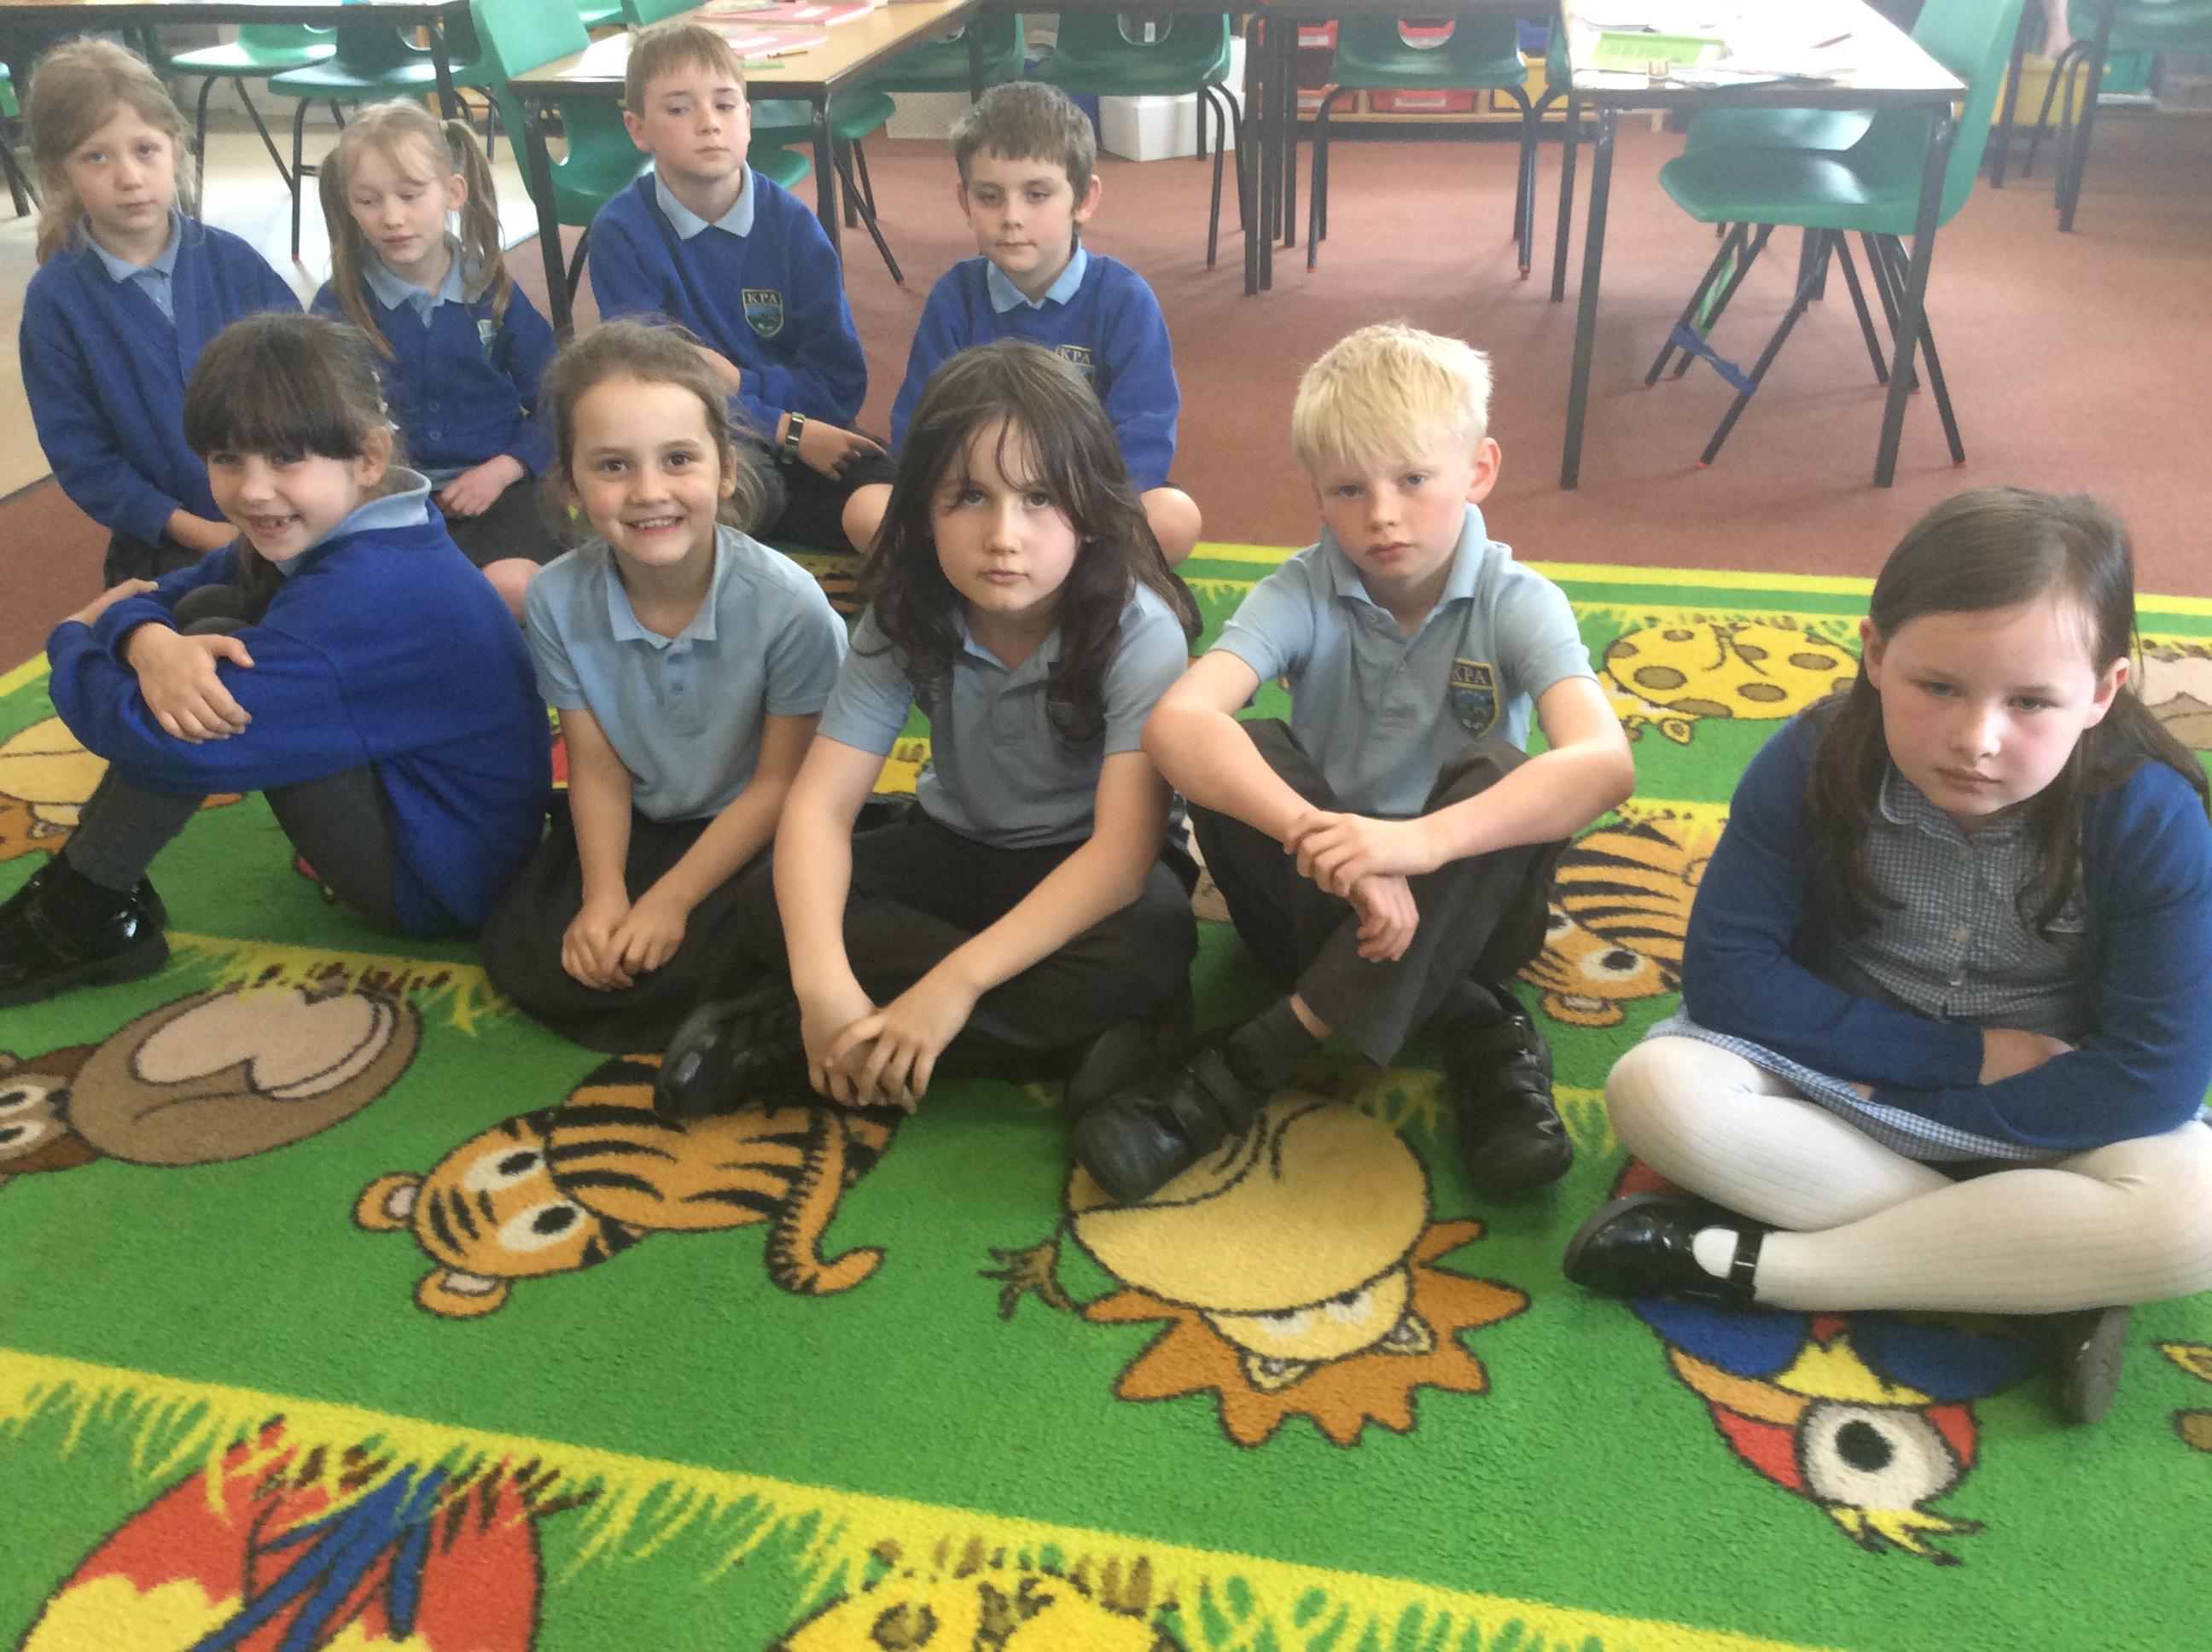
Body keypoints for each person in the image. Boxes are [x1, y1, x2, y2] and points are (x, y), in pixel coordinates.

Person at [1569, 488, 2212, 1426]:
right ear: (1874, 654)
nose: (1976, 739)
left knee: (2196, 1214)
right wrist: (1956, 1059)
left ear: (2105, 692)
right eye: (1938, 687)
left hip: (2046, 1109)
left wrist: (1946, 1111)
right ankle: (2039, 1280)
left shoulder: (2149, 818)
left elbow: (2154, 1075)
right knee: (1656, 1089)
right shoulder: (1813, 759)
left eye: (2032, 702)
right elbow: (1729, 971)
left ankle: (1769, 1270)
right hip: (1842, 1080)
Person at [1073, 323, 1634, 1204]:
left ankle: (1252, 1059)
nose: (1382, 515)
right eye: (1349, 488)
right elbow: (1177, 724)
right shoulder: (1300, 587)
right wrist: (1330, 839)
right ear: (1318, 496)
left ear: (1479, 469)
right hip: (1318, 892)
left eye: (1413, 479)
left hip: (1473, 904)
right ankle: (1474, 1021)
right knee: (1250, 746)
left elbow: (1604, 764)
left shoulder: (1518, 600)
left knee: (1502, 771)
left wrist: (1418, 846)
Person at [651, 340, 1200, 1124]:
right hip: (954, 845)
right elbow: (818, 810)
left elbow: (1119, 859)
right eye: (969, 496)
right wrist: (823, 987)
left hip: (1086, 862)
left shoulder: (1138, 629)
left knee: (1156, 938)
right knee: (771, 901)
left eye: (1040, 498)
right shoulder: (906, 611)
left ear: (1093, 510)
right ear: (922, 510)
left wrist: (953, 984)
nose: (1003, 534)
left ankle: (783, 1045)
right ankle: (1074, 1035)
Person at [1, 312, 550, 1007]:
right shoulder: (369, 513)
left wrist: (73, 642)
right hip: (439, 819)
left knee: (202, 692)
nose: (254, 490)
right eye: (227, 459)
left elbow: (153, 736)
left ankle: (83, 909)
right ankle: (88, 890)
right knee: (209, 619)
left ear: (369, 457)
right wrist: (143, 638)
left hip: (438, 882)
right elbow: (173, 592)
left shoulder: (367, 594)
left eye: (287, 458)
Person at [479, 322, 847, 1051]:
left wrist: (671, 902)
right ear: (571, 485)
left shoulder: (790, 605)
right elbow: (596, 764)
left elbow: (782, 785)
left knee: (776, 929)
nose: (649, 493)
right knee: (530, 948)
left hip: (760, 829)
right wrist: (605, 895)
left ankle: (750, 1016)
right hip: (644, 823)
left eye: (678, 459)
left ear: (726, 470)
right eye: (613, 466)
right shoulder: (555, 598)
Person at [841, 82, 1202, 567]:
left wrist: (1071, 510)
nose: (1011, 217)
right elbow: (919, 424)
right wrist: (961, 499)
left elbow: (1145, 434)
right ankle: (1042, 577)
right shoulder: (956, 296)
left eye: (1037, 195)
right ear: (964, 201)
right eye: (990, 197)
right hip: (979, 501)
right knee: (865, 510)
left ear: (1084, 199)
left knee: (1174, 517)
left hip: (1085, 506)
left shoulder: (1123, 299)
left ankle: (1010, 577)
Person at [585, 20, 891, 555]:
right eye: (678, 109)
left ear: (747, 118)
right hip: (695, 450)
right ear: (637, 128)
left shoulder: (793, 226)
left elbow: (839, 385)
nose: (709, 123)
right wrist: (784, 429)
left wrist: (740, 382)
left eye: (725, 105)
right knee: (708, 507)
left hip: (809, 436)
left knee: (895, 508)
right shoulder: (620, 232)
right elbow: (653, 393)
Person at [18, 35, 299, 587]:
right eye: (96, 156)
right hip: (168, 544)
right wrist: (205, 533)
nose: (129, 177)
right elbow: (85, 461)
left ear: (175, 147)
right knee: (192, 632)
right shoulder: (56, 304)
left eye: (145, 149)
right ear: (59, 172)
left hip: (286, 515)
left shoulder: (234, 262)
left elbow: (308, 384)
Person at [311, 99, 562, 616]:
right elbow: (317, 422)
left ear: (453, 192)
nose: (392, 217)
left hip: (499, 489)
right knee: (376, 601)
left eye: (410, 195)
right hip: (385, 499)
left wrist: (508, 467)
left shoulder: (492, 290)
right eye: (368, 200)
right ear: (349, 205)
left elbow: (558, 398)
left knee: (514, 588)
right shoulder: (338, 305)